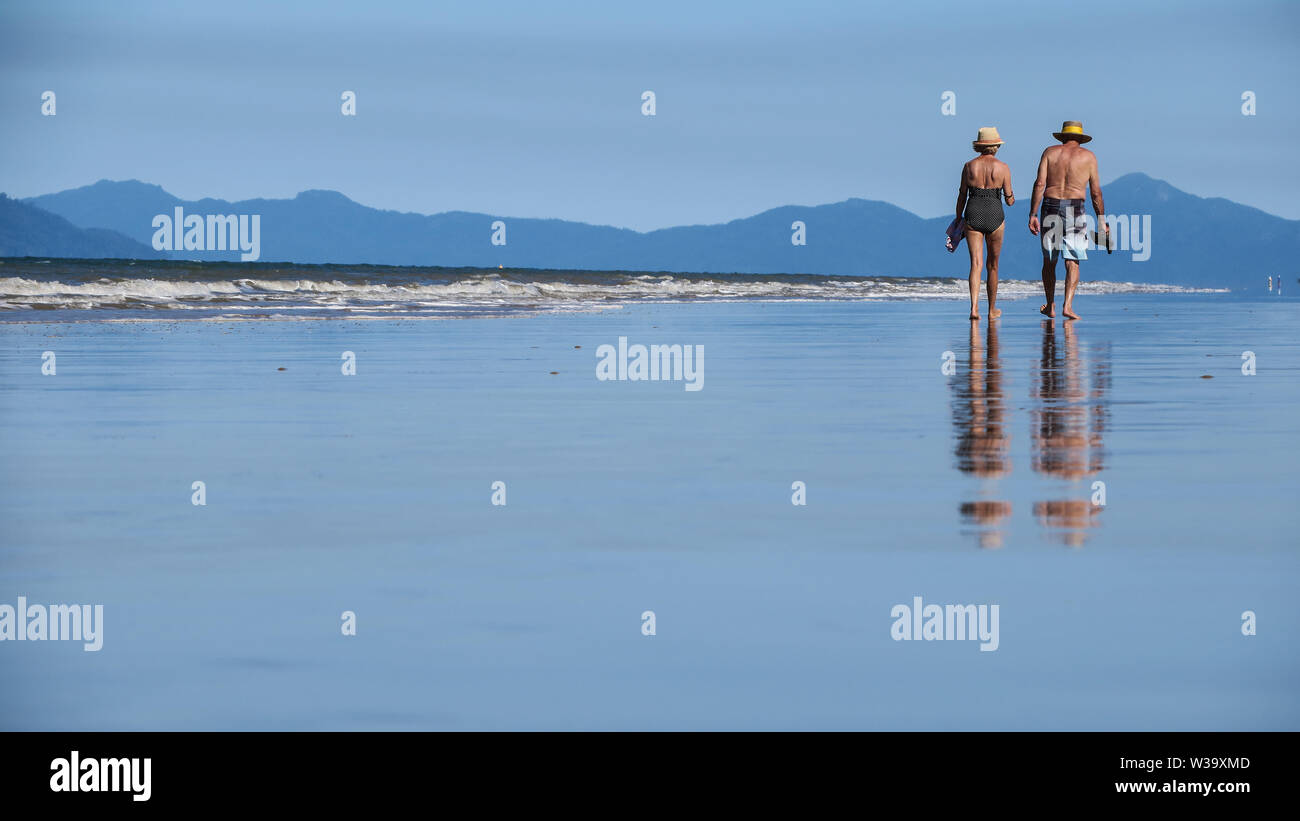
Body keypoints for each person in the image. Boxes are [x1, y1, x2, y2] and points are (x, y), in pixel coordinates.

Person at [1028, 121, 1107, 320]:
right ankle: (1068, 306)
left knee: (1049, 259)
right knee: (1073, 259)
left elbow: (1039, 184)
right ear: (1080, 139)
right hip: (1075, 208)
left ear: (1062, 137)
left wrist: (1033, 214)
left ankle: (1050, 305)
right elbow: (1096, 193)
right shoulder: (1088, 157)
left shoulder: (1050, 152)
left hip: (1050, 205)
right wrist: (1101, 220)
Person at [955, 127, 1014, 321]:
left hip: (973, 210)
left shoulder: (969, 166)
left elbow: (962, 194)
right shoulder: (1003, 167)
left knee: (976, 264)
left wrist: (958, 218)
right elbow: (1009, 199)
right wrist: (1010, 196)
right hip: (995, 213)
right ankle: (991, 310)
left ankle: (973, 308)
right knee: (993, 265)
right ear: (995, 146)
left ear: (979, 146)